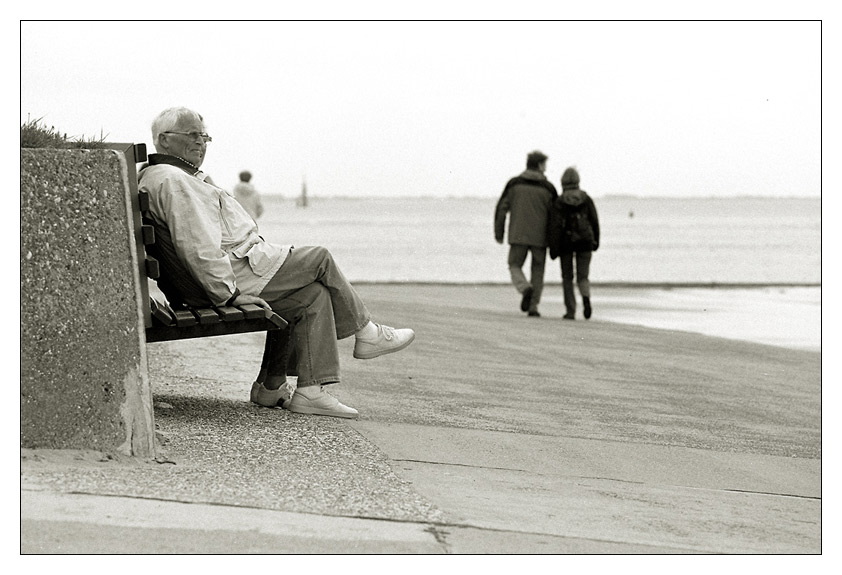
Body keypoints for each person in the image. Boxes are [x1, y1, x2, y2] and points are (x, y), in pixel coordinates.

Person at [138, 106, 415, 419]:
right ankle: (368, 333)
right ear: (163, 139)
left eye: (204, 136)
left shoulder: (167, 177)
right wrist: (226, 295)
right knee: (320, 258)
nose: (200, 142)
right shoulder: (174, 181)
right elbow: (197, 247)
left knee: (311, 296)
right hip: (232, 276)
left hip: (229, 272)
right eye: (191, 135)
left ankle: (290, 389)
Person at [494, 150, 558, 317]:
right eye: (545, 165)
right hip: (540, 238)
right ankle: (533, 307)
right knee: (538, 271)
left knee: (514, 265)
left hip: (518, 234)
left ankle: (524, 288)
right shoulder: (548, 188)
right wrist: (554, 240)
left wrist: (499, 232)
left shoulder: (514, 184)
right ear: (539, 165)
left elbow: (502, 208)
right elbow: (555, 217)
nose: (546, 168)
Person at [548, 167, 600, 320]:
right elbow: (594, 221)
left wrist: (554, 248)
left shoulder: (559, 201)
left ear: (562, 183)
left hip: (566, 244)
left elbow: (555, 227)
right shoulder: (586, 199)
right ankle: (586, 299)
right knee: (583, 277)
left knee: (567, 277)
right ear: (578, 181)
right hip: (585, 242)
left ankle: (570, 311)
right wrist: (596, 241)